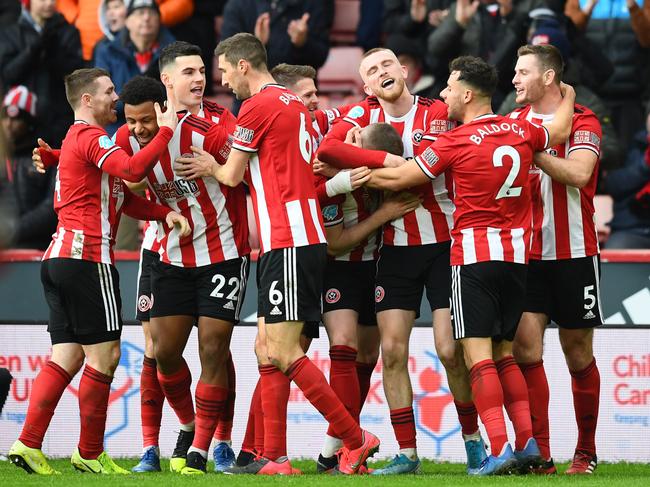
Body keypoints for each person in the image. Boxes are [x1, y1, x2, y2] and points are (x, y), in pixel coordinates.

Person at [175, 32, 380, 475]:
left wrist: (209, 163)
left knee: (284, 353)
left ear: (243, 65)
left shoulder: (258, 105)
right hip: (292, 238)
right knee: (268, 349)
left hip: (287, 239)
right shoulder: (290, 101)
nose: (224, 81)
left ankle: (355, 438)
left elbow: (231, 175)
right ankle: (273, 457)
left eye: (225, 71)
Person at [366, 55, 576, 475]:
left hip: (473, 257)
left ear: (466, 93)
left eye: (448, 86)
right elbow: (560, 129)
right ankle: (527, 440)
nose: (442, 93)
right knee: (505, 354)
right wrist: (567, 95)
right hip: (517, 257)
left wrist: (354, 174)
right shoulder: (520, 128)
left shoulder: (454, 141)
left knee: (478, 357)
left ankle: (498, 448)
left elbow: (405, 178)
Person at [7, 67, 189, 475]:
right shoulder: (92, 137)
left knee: (67, 356)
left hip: (57, 258)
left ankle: (28, 443)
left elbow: (121, 196)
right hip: (87, 258)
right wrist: (164, 131)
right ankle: (89, 453)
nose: (116, 99)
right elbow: (131, 172)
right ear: (87, 100)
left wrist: (163, 213)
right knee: (105, 356)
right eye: (109, 92)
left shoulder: (77, 140)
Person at [317, 47, 480, 475]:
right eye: (372, 70)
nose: (381, 72)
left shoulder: (441, 112)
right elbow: (327, 150)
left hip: (446, 244)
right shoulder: (359, 117)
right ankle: (407, 453)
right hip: (394, 248)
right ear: (367, 87)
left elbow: (481, 131)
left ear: (404, 71)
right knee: (391, 351)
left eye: (387, 64)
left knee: (449, 349)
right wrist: (384, 160)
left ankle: (473, 440)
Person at [509, 44, 604, 475]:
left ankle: (585, 451)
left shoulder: (583, 120)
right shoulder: (511, 123)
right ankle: (540, 454)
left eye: (522, 71)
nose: (514, 79)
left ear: (548, 77)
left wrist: (533, 152)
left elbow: (581, 174)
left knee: (577, 352)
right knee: (526, 348)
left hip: (574, 254)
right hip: (525, 257)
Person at [0, 0, 84, 147]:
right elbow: (8, 74)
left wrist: (53, 51)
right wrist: (34, 48)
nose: (49, 3)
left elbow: (75, 76)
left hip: (60, 120)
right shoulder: (11, 33)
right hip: (22, 123)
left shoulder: (69, 32)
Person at [93, 0, 176, 133]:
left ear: (159, 20)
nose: (146, 18)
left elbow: (176, 97)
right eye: (140, 13)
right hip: (117, 128)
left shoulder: (173, 52)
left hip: (161, 127)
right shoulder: (107, 50)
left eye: (151, 13)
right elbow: (101, 98)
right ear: (127, 21)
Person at [2, 86, 57, 249]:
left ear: (30, 124)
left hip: (38, 247)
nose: (9, 124)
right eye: (5, 118)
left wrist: (13, 230)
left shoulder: (45, 157)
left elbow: (51, 206)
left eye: (17, 119)